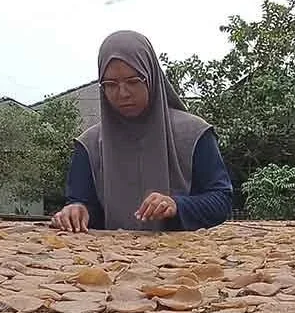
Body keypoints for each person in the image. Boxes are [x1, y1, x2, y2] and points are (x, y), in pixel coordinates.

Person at [51, 30, 233, 232]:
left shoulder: (194, 134)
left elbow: (221, 201)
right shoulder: (90, 145)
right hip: (110, 260)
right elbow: (83, 204)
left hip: (185, 259)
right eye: (111, 84)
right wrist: (76, 210)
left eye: (133, 81)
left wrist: (177, 206)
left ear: (151, 77)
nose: (123, 93)